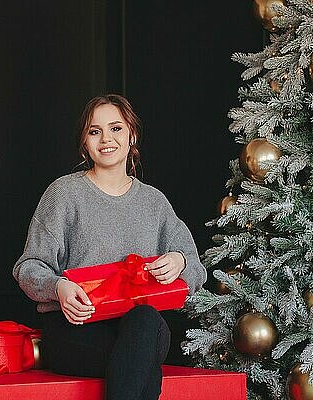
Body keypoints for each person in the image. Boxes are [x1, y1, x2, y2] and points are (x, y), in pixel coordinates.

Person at [12, 94, 206, 400]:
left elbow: (197, 269)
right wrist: (58, 287)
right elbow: (29, 268)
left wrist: (180, 261)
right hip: (75, 329)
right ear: (85, 142)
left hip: (139, 327)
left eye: (116, 128)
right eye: (95, 131)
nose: (106, 139)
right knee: (141, 361)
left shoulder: (154, 202)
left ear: (132, 135)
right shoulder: (63, 194)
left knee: (144, 321)